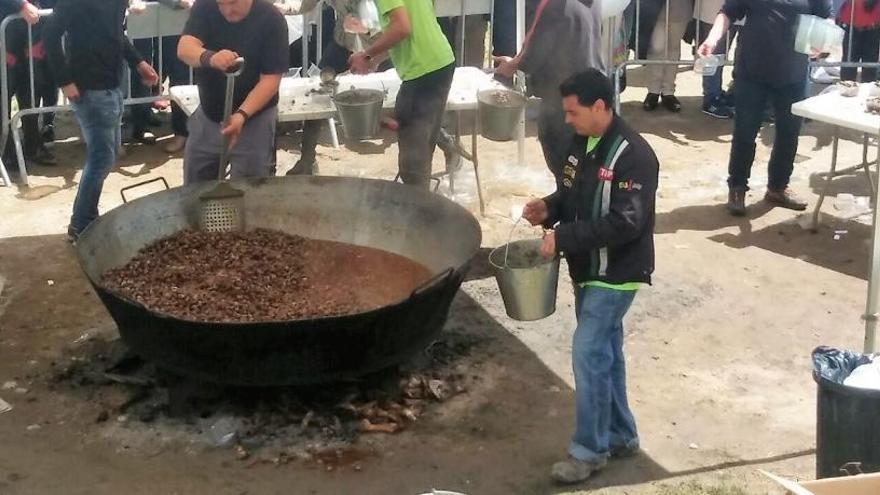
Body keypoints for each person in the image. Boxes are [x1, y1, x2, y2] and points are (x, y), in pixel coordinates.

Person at [522, 68, 657, 485]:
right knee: (605, 354)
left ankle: (588, 451)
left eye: (573, 112)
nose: (567, 120)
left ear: (600, 107)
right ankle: (620, 436)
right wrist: (548, 208)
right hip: (586, 269)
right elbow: (570, 195)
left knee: (587, 351)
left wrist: (564, 238)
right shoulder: (581, 141)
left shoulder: (635, 155)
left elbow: (626, 223)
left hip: (615, 273)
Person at [699, 0, 833, 216]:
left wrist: (821, 40)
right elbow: (727, 12)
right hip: (752, 73)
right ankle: (737, 188)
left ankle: (778, 188)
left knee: (789, 134)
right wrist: (712, 39)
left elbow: (826, 16)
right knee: (744, 133)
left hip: (793, 74)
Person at [44, 0, 159, 242]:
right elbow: (50, 35)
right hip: (90, 87)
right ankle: (82, 224)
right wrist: (64, 80)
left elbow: (116, 34)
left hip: (112, 85)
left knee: (105, 157)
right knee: (102, 159)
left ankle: (85, 220)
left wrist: (138, 62)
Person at [177, 0, 288, 184]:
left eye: (233, 3)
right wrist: (210, 57)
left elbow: (271, 79)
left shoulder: (271, 18)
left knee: (250, 190)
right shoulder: (205, 6)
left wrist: (241, 115)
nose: (227, 10)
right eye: (221, 4)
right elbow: (184, 47)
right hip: (208, 115)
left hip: (254, 121)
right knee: (194, 187)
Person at [348, 0, 455, 188]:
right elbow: (411, 28)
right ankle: (421, 198)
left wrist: (367, 54)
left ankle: (416, 206)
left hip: (423, 69)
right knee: (422, 145)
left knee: (413, 157)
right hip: (440, 63)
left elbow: (402, 28)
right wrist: (375, 59)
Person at [493, 0, 605, 179]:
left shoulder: (554, 4)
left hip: (565, 97)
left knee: (564, 165)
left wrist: (511, 65)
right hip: (594, 90)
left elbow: (534, 53)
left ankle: (568, 202)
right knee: (588, 165)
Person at [275, 0, 388, 175]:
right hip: (343, 42)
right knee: (319, 91)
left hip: (381, 46)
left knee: (401, 96)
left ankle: (444, 141)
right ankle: (307, 160)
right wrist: (287, 8)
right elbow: (307, 3)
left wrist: (367, 28)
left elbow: (399, 22)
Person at [637, 0, 693, 113]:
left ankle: (668, 91)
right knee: (656, 46)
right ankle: (653, 90)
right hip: (654, 7)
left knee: (673, 47)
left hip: (680, 7)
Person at [838, 0, 880, 83]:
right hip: (852, 25)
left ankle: (868, 92)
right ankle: (847, 90)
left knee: (869, 69)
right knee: (848, 67)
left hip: (873, 26)